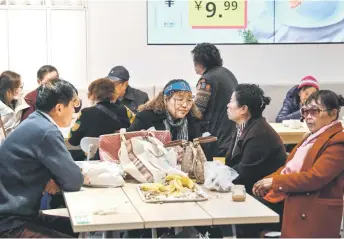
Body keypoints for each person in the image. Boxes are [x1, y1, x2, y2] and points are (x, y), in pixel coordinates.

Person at [252, 90, 344, 237]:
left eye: (314, 111)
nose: (307, 117)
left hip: (311, 209)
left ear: (333, 114)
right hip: (293, 196)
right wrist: (267, 181)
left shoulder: (338, 142)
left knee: (247, 221)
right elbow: (289, 167)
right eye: (305, 111)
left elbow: (315, 177)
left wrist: (275, 182)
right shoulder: (311, 136)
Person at [0, 78, 84, 238]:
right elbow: (73, 181)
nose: (74, 110)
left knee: (75, 228)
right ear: (59, 108)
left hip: (19, 214)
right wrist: (59, 179)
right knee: (76, 229)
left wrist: (52, 178)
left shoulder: (35, 121)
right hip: (10, 223)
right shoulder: (47, 131)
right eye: (73, 104)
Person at [226, 84, 287, 194]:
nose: (228, 105)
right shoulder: (242, 126)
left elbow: (244, 173)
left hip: (264, 195)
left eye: (231, 101)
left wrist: (219, 176)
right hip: (247, 188)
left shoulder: (259, 133)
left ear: (243, 109)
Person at [68, 78, 135, 161]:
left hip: (93, 160)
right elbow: (134, 130)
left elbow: (72, 140)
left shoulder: (86, 113)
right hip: (119, 160)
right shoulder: (125, 110)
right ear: (113, 93)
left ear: (92, 94)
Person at [192, 43, 238, 160]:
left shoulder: (206, 80)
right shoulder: (227, 73)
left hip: (216, 137)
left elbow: (198, 111)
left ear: (200, 62)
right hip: (232, 133)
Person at [128, 79, 202, 141]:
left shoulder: (193, 121)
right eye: (180, 99)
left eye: (189, 100)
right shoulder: (145, 118)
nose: (185, 105)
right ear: (166, 100)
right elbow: (126, 141)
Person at [0, 71, 29, 142]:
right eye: (18, 86)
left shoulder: (20, 103)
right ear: (9, 90)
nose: (20, 89)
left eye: (21, 86)